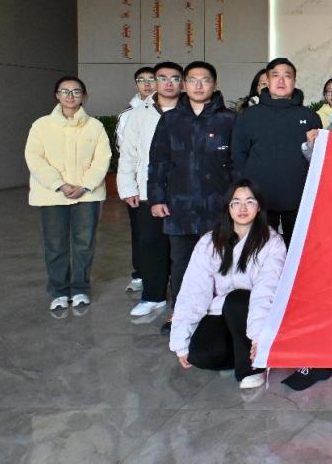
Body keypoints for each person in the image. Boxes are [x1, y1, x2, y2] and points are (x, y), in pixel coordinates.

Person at [169, 181, 287, 390]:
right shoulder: (210, 242)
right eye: (236, 202)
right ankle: (240, 354)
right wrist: (181, 340)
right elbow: (193, 291)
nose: (242, 208)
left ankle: (253, 367)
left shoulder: (272, 243)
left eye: (249, 202)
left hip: (253, 312)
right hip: (221, 311)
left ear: (258, 207)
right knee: (199, 355)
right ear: (228, 207)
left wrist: (260, 339)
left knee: (237, 299)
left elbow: (266, 292)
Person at [148, 61, 237, 334]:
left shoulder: (229, 120)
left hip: (218, 206)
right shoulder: (170, 120)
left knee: (221, 262)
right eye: (193, 80)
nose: (199, 86)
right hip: (180, 206)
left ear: (215, 84)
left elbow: (237, 164)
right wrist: (157, 198)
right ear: (184, 85)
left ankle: (218, 316)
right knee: (182, 263)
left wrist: (237, 202)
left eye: (205, 80)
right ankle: (180, 314)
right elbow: (159, 161)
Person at [25, 76, 111, 310]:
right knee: (55, 245)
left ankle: (81, 289)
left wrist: (85, 185)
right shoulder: (41, 125)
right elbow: (35, 158)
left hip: (87, 194)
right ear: (57, 95)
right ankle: (59, 291)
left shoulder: (95, 126)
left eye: (76, 91)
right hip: (52, 194)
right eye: (65, 91)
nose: (70, 96)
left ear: (84, 95)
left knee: (84, 243)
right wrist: (59, 184)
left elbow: (102, 158)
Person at [118, 61, 184, 318]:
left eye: (175, 78)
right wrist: (128, 187)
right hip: (148, 190)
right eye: (162, 78)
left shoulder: (191, 111)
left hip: (184, 191)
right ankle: (153, 296)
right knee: (150, 244)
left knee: (182, 249)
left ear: (182, 83)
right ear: (155, 82)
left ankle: (183, 300)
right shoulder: (138, 114)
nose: (168, 83)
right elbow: (128, 153)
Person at [232, 58, 321, 246]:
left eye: (287, 76)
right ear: (268, 80)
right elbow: (238, 156)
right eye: (275, 76)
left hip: (299, 199)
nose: (281, 81)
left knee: (297, 250)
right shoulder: (250, 115)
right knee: (260, 250)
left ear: (294, 81)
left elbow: (318, 159)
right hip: (259, 199)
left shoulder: (309, 116)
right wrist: (244, 192)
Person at [116, 66, 157, 294]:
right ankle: (140, 273)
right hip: (138, 184)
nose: (147, 84)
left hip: (163, 183)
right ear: (136, 85)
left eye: (151, 79)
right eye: (142, 80)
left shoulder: (171, 110)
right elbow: (125, 153)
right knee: (140, 232)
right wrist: (128, 186)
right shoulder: (127, 115)